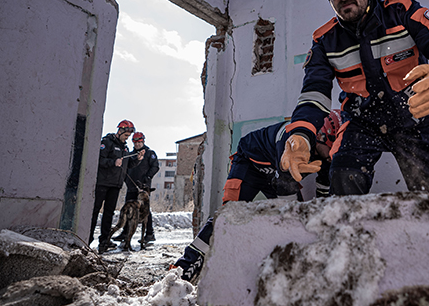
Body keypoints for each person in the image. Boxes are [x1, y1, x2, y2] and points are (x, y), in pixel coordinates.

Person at [279, 0, 429, 224]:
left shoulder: (402, 11)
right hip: (361, 122)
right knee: (343, 183)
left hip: (416, 118)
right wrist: (299, 136)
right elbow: (313, 95)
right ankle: (351, 258)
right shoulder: (324, 40)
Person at [171, 112, 341, 282]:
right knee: (228, 215)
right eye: (332, 148)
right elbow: (286, 192)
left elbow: (324, 192)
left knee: (299, 220)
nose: (331, 155)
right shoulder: (292, 140)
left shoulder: (328, 154)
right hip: (249, 164)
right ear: (321, 136)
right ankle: (185, 266)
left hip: (276, 173)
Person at [90, 120, 144, 253]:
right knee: (95, 211)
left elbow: (127, 165)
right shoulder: (107, 142)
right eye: (126, 135)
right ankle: (87, 238)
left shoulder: (125, 148)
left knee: (109, 213)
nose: (127, 138)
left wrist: (137, 159)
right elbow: (99, 160)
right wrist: (113, 162)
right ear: (120, 131)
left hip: (115, 185)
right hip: (102, 183)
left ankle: (104, 240)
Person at [118, 132, 160, 242]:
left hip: (143, 188)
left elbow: (155, 167)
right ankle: (125, 232)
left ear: (143, 141)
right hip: (131, 186)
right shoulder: (131, 154)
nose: (137, 144)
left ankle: (149, 234)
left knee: (145, 211)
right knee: (128, 209)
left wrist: (147, 178)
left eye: (139, 142)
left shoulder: (149, 153)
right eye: (135, 142)